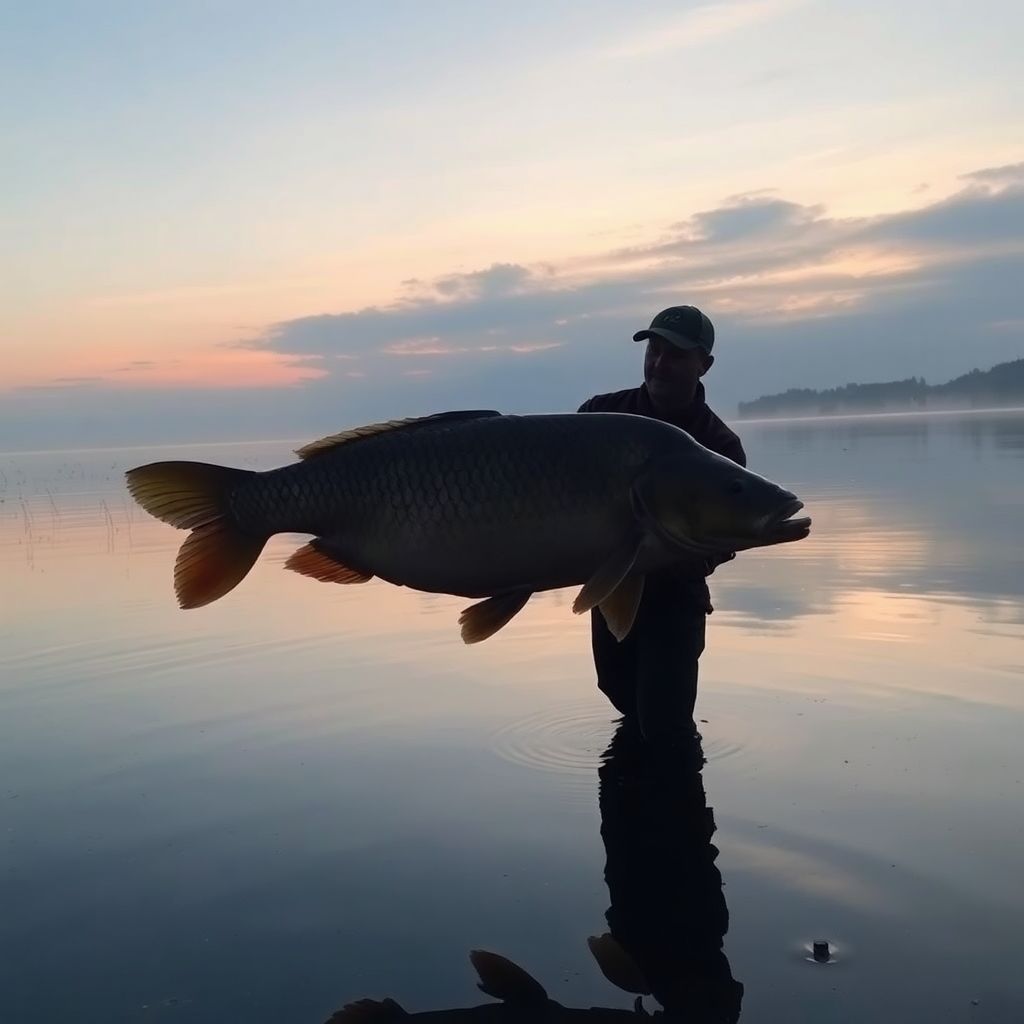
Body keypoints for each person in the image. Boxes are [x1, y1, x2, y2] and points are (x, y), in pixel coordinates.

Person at [578, 306, 746, 743]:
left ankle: (680, 782)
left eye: (675, 355)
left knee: (666, 721)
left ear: (704, 364)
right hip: (612, 588)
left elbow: (723, 540)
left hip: (675, 601)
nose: (659, 363)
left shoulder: (721, 446)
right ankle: (628, 784)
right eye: (654, 351)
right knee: (618, 691)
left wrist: (670, 555)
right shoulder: (601, 414)